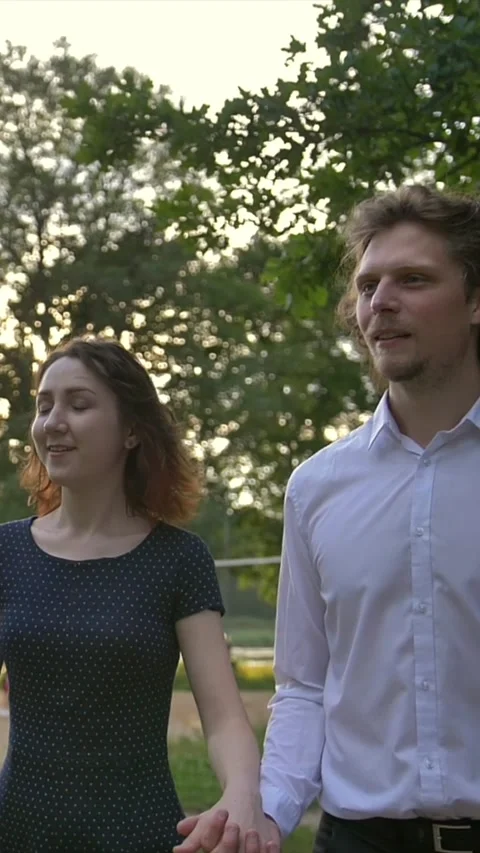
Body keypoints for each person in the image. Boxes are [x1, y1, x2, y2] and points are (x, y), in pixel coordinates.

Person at [257, 184, 480, 853]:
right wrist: (268, 814)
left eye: (413, 279)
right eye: (367, 284)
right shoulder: (315, 488)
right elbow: (304, 684)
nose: (380, 303)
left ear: (475, 300)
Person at [0, 336, 279, 853]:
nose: (53, 421)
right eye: (44, 406)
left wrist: (243, 794)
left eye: (78, 405)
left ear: (131, 431)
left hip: (142, 835)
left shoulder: (177, 559)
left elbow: (222, 718)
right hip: (16, 831)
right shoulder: (6, 552)